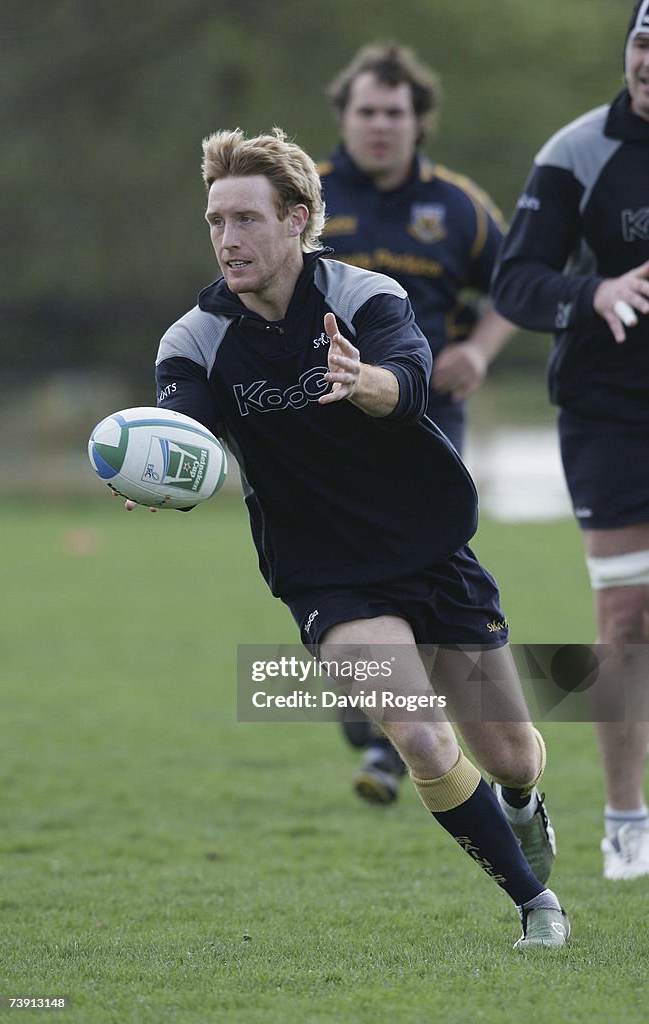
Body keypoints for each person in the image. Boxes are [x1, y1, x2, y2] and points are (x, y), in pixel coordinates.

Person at [125, 125, 568, 947]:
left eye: (247, 218)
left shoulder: (365, 297)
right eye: (216, 221)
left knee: (510, 754)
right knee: (418, 735)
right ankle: (534, 906)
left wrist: (357, 379)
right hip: (326, 573)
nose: (228, 239)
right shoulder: (193, 338)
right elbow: (181, 427)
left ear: (297, 220)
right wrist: (159, 469)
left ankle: (520, 801)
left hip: (430, 547)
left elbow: (408, 384)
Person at [318, 42, 518, 804]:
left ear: (417, 121)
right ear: (343, 116)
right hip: (325, 424)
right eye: (366, 111)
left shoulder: (459, 206)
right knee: (342, 566)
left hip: (427, 418)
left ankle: (384, 736)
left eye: (394, 113)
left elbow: (512, 286)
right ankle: (380, 726)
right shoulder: (310, 197)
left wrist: (480, 348)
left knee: (424, 561)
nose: (379, 126)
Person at [492, 1, 649, 881]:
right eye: (641, 43)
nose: (648, 62)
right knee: (627, 617)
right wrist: (590, 294)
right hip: (610, 412)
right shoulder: (577, 152)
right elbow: (515, 280)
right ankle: (626, 819)